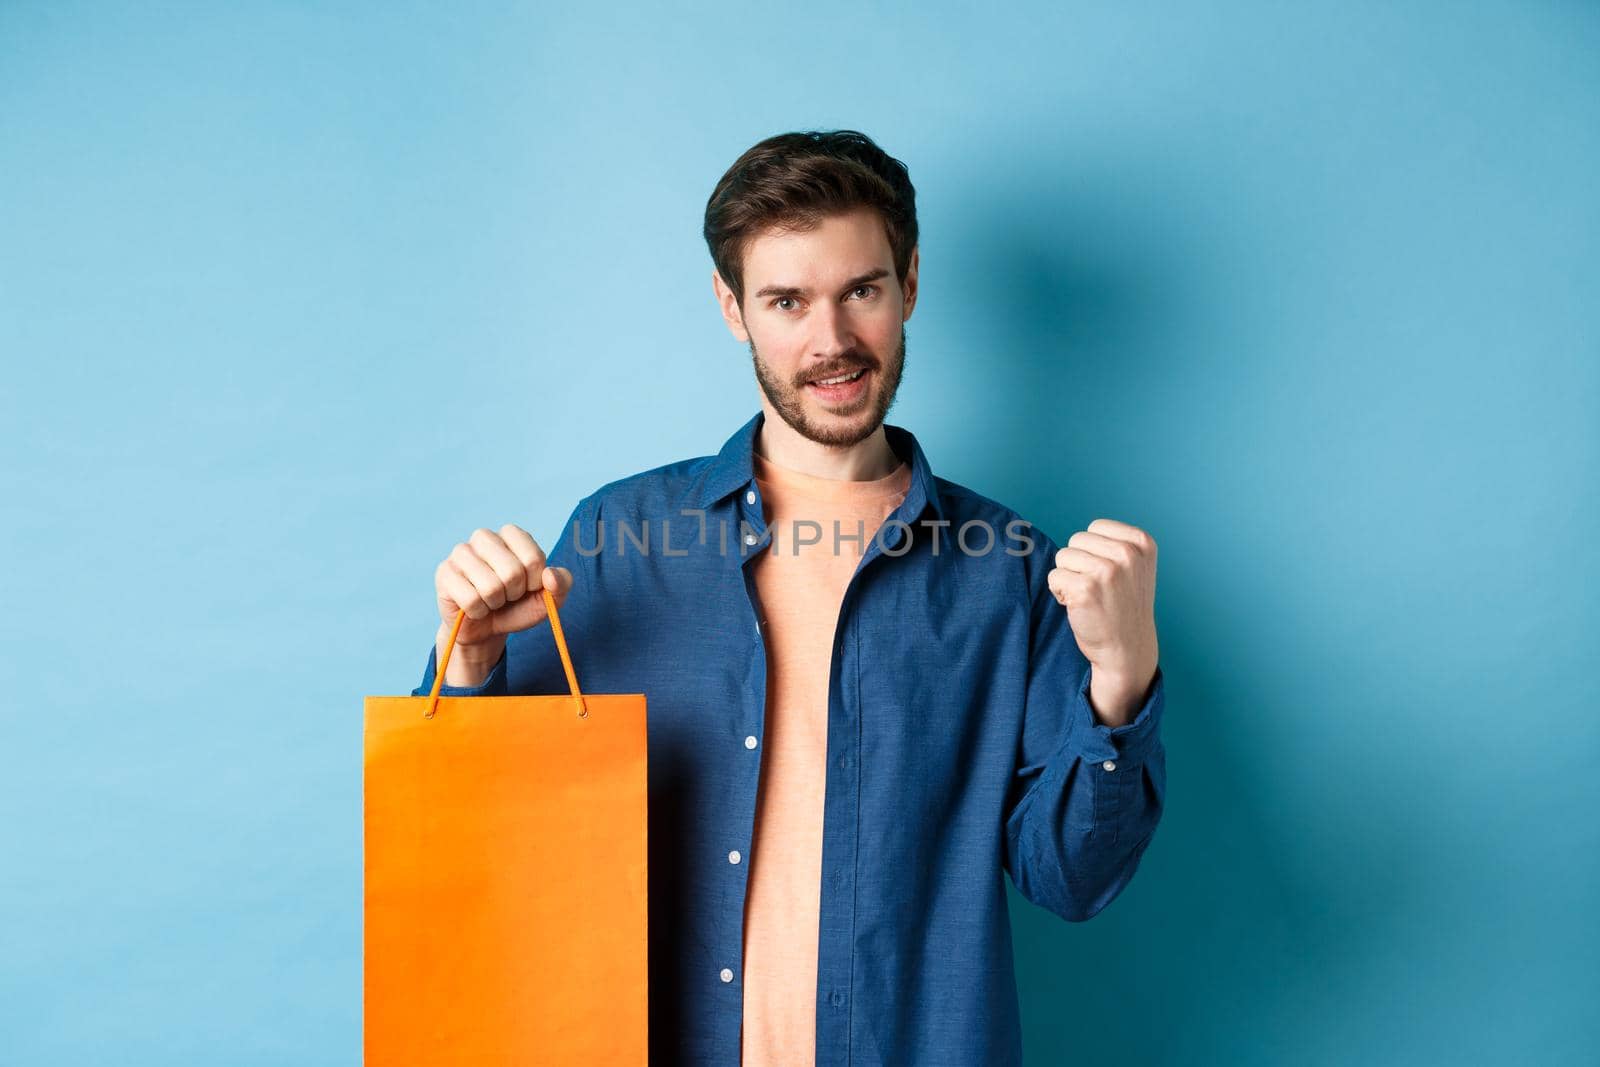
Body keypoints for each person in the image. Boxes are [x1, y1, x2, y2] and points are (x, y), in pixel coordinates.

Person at [412, 129, 1166, 1066]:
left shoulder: (1010, 568)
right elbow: (474, 845)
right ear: (733, 307)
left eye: (862, 291)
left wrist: (1122, 679)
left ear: (911, 284)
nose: (833, 342)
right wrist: (473, 661)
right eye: (786, 300)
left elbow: (1072, 877)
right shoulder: (621, 537)